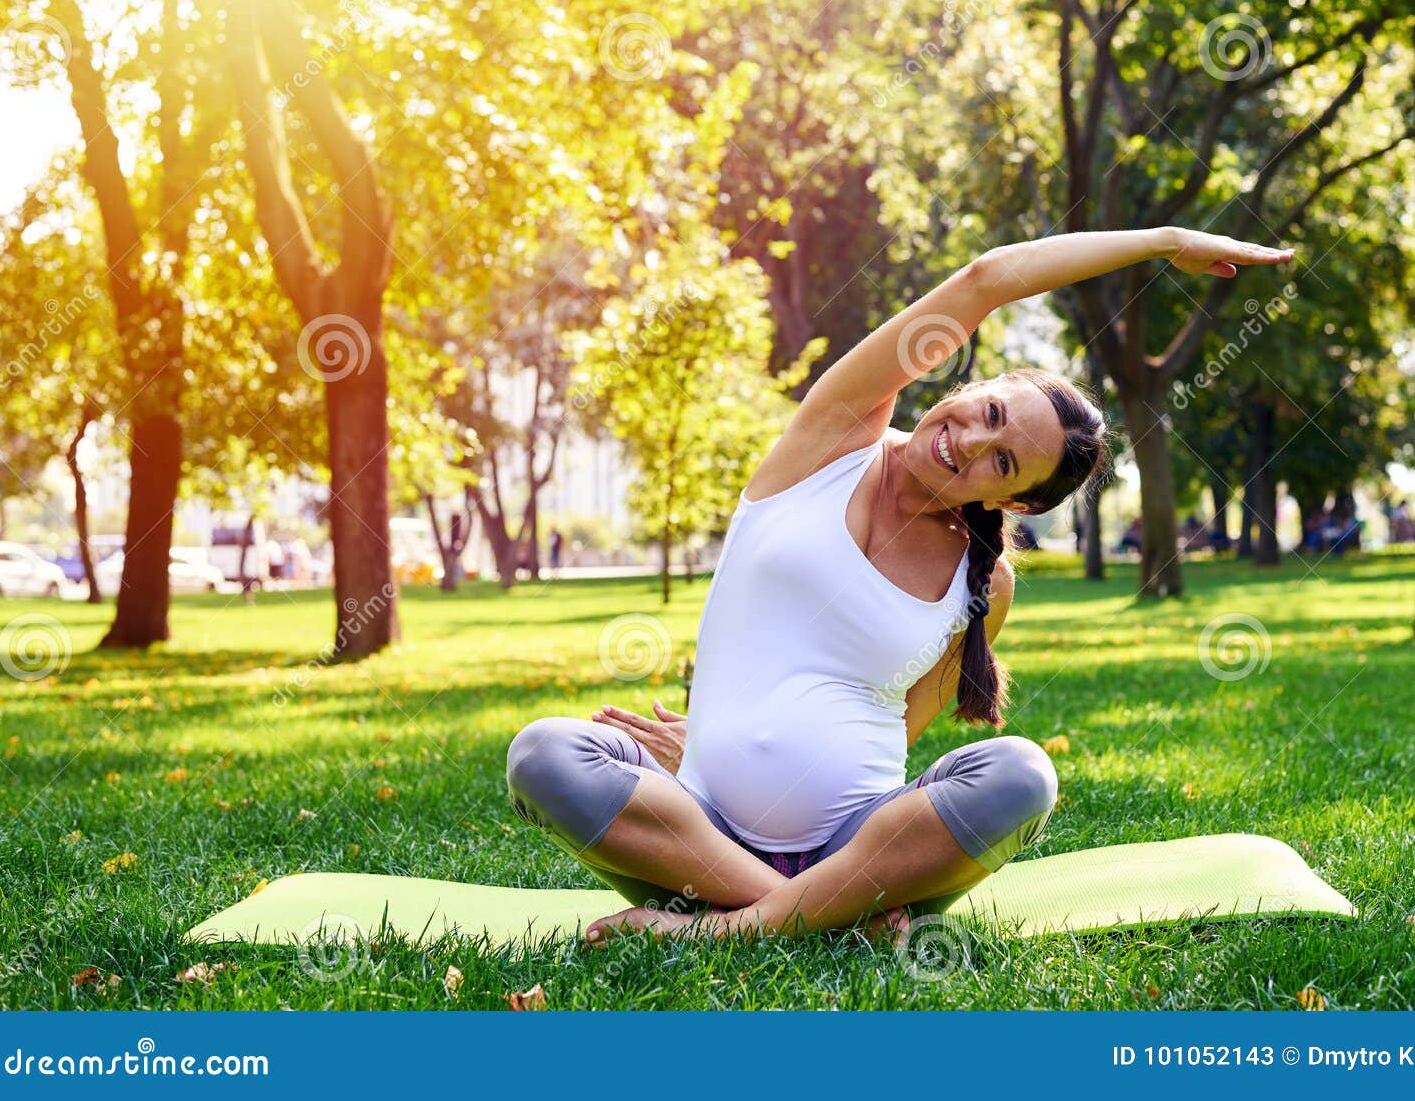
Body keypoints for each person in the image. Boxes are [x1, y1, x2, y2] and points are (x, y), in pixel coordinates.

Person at [505, 226, 1293, 944]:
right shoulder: (833, 435)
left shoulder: (986, 584)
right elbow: (987, 278)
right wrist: (1161, 243)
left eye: (1003, 461)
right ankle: (815, 917)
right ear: (975, 382)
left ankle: (729, 928)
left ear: (1012, 502)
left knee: (1020, 775)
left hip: (861, 841)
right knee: (545, 753)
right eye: (987, 411)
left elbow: (902, 732)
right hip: (705, 832)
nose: (969, 443)